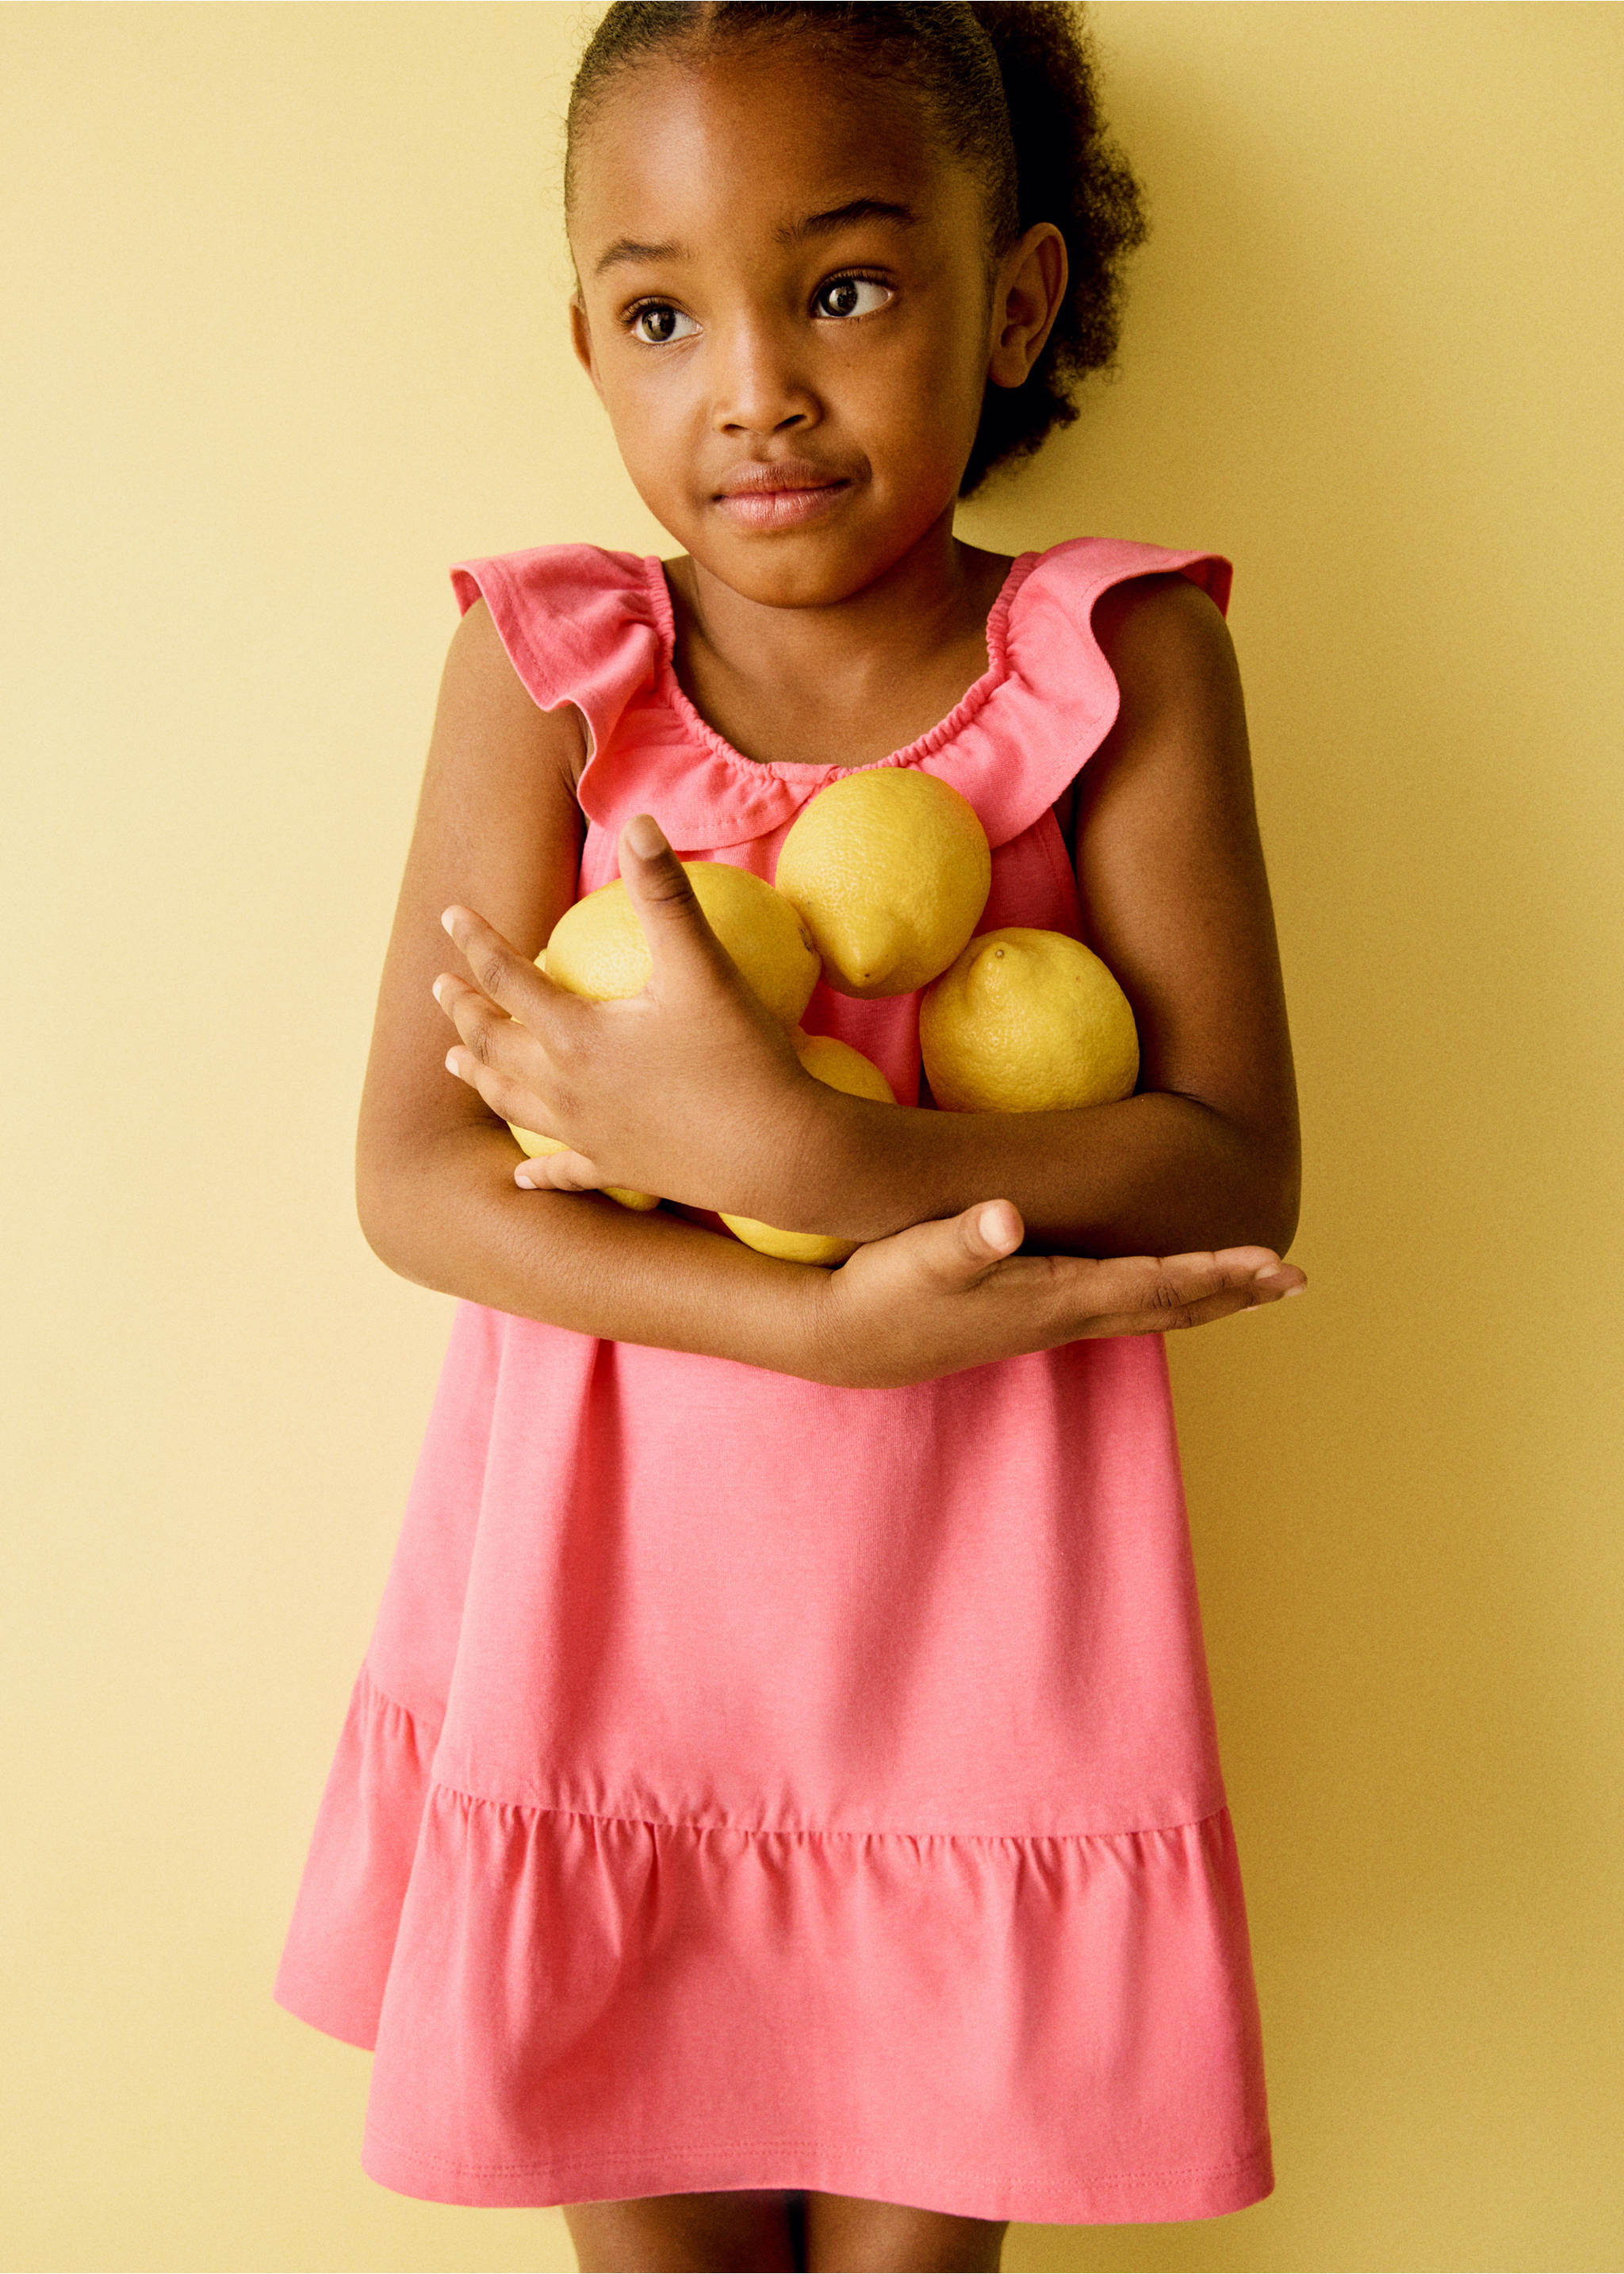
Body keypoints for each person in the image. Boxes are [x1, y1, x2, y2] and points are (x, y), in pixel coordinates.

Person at [273, 5, 1305, 2268]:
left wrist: (846, 1178)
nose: (754, 383)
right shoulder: (550, 673)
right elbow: (413, 1174)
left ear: (1010, 295)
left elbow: (1235, 1159)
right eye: (662, 311)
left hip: (981, 1656)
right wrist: (813, 1321)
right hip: (618, 1625)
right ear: (587, 342)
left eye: (842, 285)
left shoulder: (1114, 664)